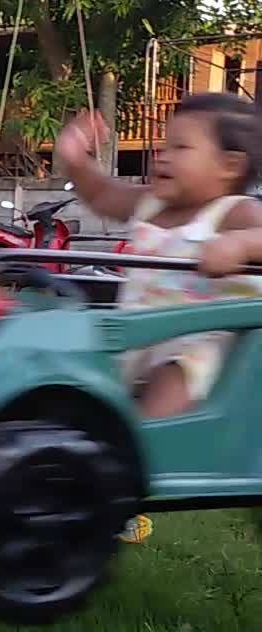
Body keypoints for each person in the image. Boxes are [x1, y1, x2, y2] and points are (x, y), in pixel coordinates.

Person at [58, 92, 262, 542]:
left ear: (229, 165)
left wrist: (242, 245)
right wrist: (75, 158)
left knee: (164, 397)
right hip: (134, 336)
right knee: (80, 389)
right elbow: (102, 193)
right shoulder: (150, 204)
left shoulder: (233, 213)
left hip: (198, 342)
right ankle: (81, 475)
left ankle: (132, 477)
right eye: (163, 144)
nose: (161, 155)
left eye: (180, 147)